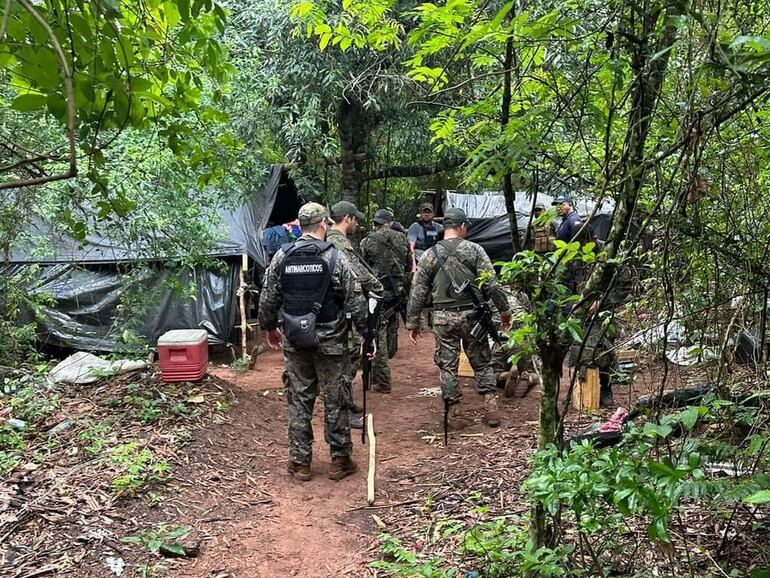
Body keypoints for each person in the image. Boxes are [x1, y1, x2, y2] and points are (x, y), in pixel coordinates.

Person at [258, 202, 370, 482]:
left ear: (300, 225)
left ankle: (300, 463)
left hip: (296, 341)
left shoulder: (282, 256)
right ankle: (340, 460)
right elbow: (356, 299)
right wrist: (366, 335)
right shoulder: (335, 258)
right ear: (323, 225)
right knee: (336, 399)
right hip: (331, 342)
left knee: (299, 400)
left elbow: (268, 297)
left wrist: (269, 327)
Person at [406, 207, 512, 427]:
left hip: (443, 318)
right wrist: (504, 311)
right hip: (473, 317)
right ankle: (491, 407)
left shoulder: (429, 254)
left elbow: (417, 291)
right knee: (482, 361)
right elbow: (491, 284)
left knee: (448, 365)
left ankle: (454, 413)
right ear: (462, 226)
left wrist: (412, 322)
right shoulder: (475, 250)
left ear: (444, 227)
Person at [327, 201, 386, 407]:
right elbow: (359, 277)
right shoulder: (341, 245)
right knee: (348, 362)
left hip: (328, 312)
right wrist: (378, 288)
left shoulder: (323, 240)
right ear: (347, 219)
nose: (357, 224)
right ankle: (343, 406)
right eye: (355, 219)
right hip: (345, 312)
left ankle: (343, 403)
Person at [361, 209, 411, 364]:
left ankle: (380, 362)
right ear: (390, 222)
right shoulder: (402, 238)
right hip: (397, 290)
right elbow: (409, 263)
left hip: (377, 291)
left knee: (377, 325)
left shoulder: (367, 241)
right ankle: (390, 352)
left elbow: (363, 267)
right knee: (393, 321)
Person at [407, 202, 443, 272]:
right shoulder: (415, 227)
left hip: (433, 259)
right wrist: (413, 266)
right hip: (419, 260)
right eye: (424, 212)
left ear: (433, 214)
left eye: (429, 212)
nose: (427, 214)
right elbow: (411, 247)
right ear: (420, 214)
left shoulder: (437, 227)